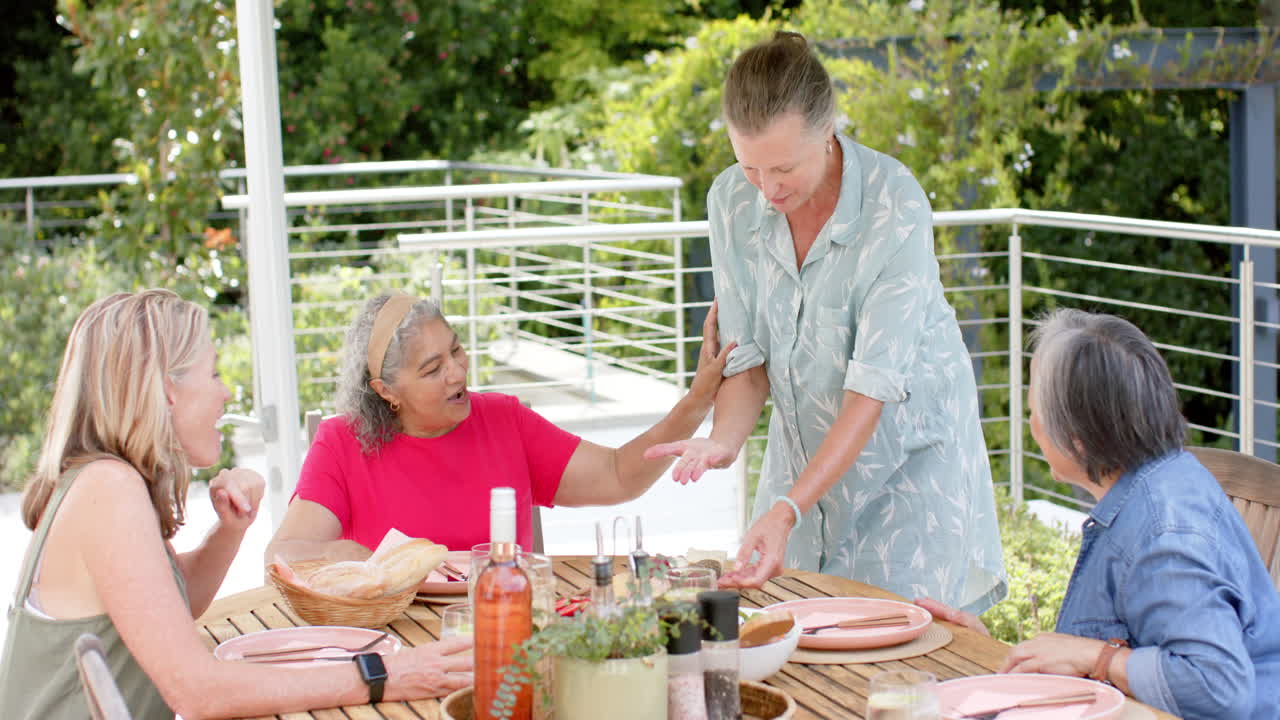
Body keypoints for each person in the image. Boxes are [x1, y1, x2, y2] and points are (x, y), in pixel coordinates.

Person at [643, 31, 1005, 612]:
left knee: (898, 651)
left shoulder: (895, 203)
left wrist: (788, 507)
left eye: (783, 167)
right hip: (805, 457)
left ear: (829, 128)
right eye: (751, 167)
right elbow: (747, 356)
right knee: (801, 632)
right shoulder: (732, 200)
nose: (768, 189)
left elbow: (871, 391)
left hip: (907, 455)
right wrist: (724, 441)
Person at [0, 290, 474, 720]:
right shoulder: (109, 490)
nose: (225, 392)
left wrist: (227, 532)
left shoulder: (99, 481)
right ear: (167, 391)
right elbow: (198, 691)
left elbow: (167, 608)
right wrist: (384, 674)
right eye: (215, 373)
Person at [918, 308, 1280, 720]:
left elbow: (1220, 689)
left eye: (1035, 409)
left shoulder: (1165, 534)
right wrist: (988, 652)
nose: (1032, 423)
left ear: (1079, 440)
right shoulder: (1153, 484)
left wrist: (1094, 656)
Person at [265, 292, 733, 561]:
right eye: (432, 369)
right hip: (396, 651)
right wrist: (351, 559)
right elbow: (281, 557)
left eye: (456, 350)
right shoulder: (343, 443)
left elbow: (616, 475)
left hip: (502, 634)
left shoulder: (503, 420)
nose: (456, 372)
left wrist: (696, 402)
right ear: (387, 391)